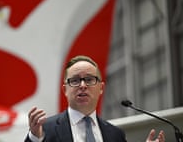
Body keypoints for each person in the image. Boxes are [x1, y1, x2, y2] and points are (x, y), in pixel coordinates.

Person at [24, 55, 165, 142]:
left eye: (90, 79)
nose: (83, 85)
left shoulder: (115, 135)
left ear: (101, 88)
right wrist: (35, 138)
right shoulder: (45, 130)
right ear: (65, 89)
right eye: (75, 80)